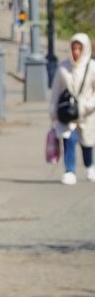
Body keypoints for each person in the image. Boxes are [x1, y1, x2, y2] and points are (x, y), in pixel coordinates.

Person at [49, 31, 95, 186]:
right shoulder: (64, 67)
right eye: (73, 48)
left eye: (79, 49)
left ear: (85, 49)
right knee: (69, 139)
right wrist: (53, 112)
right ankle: (70, 171)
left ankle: (89, 166)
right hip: (67, 112)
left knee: (87, 143)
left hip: (87, 112)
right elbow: (56, 90)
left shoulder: (91, 67)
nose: (76, 52)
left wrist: (88, 105)